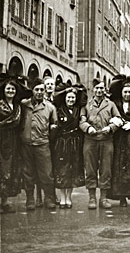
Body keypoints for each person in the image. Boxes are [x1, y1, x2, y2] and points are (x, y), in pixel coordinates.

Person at [79, 79, 122, 210]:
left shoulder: (110, 104)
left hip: (106, 139)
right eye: (97, 88)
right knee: (90, 168)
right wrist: (87, 128)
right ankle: (92, 197)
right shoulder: (86, 104)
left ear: (105, 90)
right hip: (90, 140)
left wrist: (111, 127)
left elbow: (118, 119)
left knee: (106, 169)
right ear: (93, 90)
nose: (99, 91)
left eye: (101, 88)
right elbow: (81, 120)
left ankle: (103, 198)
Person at [20, 78, 58, 210]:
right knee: (28, 172)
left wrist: (48, 136)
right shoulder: (24, 105)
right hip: (27, 144)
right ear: (32, 90)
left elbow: (54, 126)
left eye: (42, 89)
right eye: (37, 89)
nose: (40, 92)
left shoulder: (50, 108)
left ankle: (49, 198)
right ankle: (30, 199)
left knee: (46, 173)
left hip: (43, 144)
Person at [109, 76, 130, 207]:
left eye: (129, 92)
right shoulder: (116, 103)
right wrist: (119, 122)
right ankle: (122, 196)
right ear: (121, 92)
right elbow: (112, 116)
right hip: (119, 139)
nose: (127, 94)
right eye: (125, 92)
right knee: (119, 166)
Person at [0, 74, 32, 213]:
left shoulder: (19, 107)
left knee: (10, 170)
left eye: (13, 89)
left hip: (13, 141)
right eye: (8, 89)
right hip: (1, 139)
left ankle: (5, 201)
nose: (10, 91)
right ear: (3, 90)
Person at [52, 84, 87, 208]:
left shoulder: (78, 109)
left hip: (75, 142)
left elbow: (84, 94)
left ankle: (69, 197)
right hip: (62, 142)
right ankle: (62, 198)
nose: (70, 100)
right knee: (63, 170)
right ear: (65, 98)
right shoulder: (59, 109)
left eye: (73, 98)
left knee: (73, 169)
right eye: (68, 98)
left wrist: (75, 90)